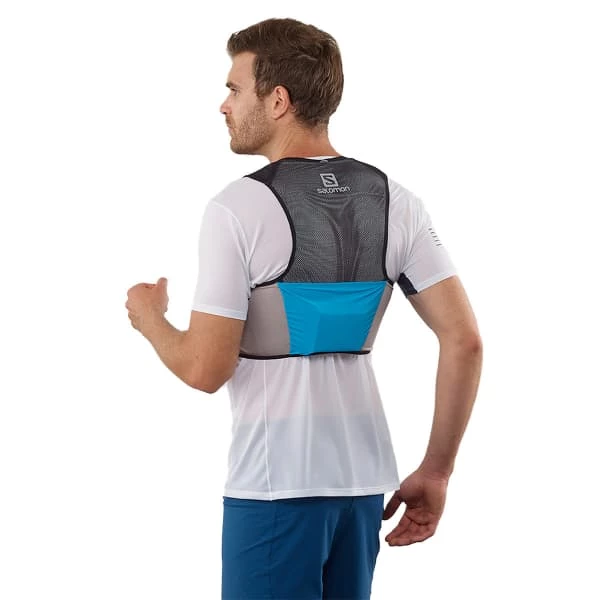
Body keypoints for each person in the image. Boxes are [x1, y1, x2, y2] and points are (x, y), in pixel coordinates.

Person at [125, 17, 483, 600]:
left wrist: (150, 319)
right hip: (362, 488)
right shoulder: (397, 201)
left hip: (275, 488)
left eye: (235, 88)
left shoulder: (238, 207)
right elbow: (464, 341)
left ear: (278, 101)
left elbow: (204, 369)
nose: (223, 105)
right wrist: (437, 471)